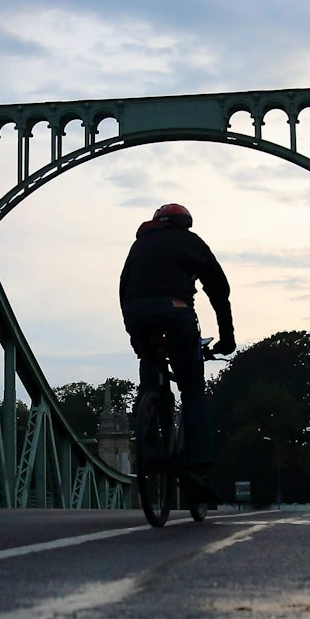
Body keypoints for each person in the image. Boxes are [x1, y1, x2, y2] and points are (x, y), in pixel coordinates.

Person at [119, 202, 234, 493]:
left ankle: (146, 417)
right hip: (177, 312)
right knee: (192, 388)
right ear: (185, 224)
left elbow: (123, 289)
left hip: (137, 313)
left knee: (150, 362)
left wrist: (135, 334)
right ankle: (198, 465)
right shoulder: (192, 243)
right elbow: (219, 290)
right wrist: (226, 336)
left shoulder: (139, 245)